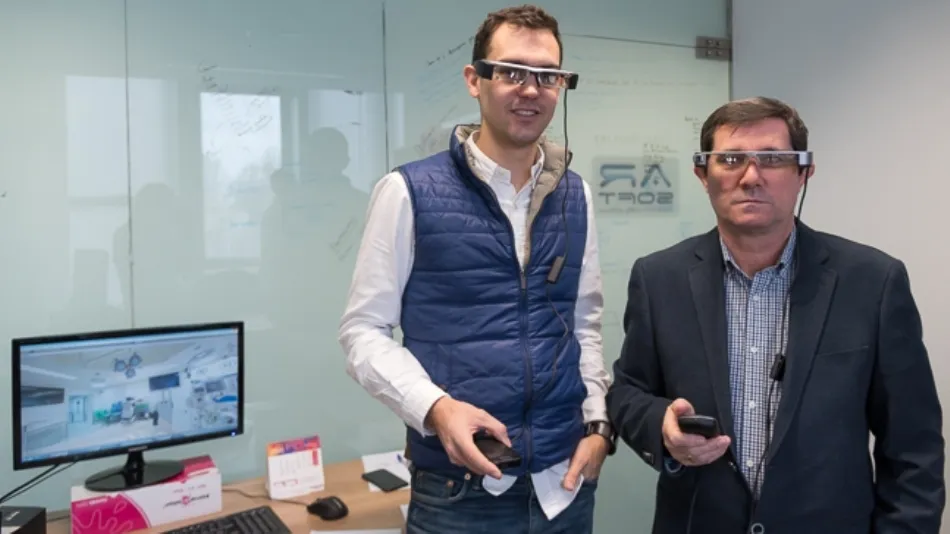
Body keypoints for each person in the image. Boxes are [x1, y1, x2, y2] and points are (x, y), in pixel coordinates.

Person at [605, 96, 945, 534]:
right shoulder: (658, 278)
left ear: (804, 173)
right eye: (730, 159)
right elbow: (629, 390)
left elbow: (913, 446)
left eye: (773, 159)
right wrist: (661, 427)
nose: (751, 176)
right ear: (702, 174)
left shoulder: (873, 282)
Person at [338, 5, 614, 533]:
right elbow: (362, 332)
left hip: (566, 486)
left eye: (547, 76)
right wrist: (436, 409)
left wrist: (599, 425)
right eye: (511, 72)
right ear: (474, 79)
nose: (530, 90)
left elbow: (584, 324)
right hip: (457, 493)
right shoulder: (408, 191)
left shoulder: (574, 193)